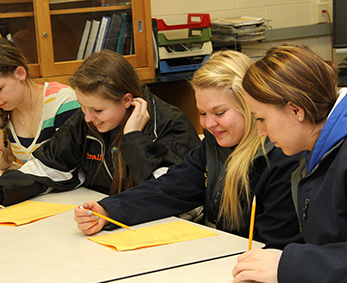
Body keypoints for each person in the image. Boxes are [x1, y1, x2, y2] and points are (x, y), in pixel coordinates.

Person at [74, 50, 303, 250]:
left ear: (249, 106)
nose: (208, 124)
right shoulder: (213, 146)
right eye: (202, 114)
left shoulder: (281, 155)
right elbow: (170, 189)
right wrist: (108, 210)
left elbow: (274, 246)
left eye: (219, 113)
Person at [0, 49, 200, 213]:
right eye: (83, 107)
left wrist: (134, 138)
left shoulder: (170, 124)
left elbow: (165, 193)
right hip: (111, 220)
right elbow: (46, 166)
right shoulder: (88, 120)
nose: (88, 118)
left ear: (127, 100)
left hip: (165, 228)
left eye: (97, 110)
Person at [232, 45, 347, 283]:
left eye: (261, 119)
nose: (260, 132)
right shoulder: (311, 152)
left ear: (296, 110)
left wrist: (289, 265)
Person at [0, 38, 80, 187]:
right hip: (35, 190)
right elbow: (2, 152)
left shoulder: (63, 102)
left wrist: (10, 180)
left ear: (20, 73)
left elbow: (62, 166)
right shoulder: (1, 106)